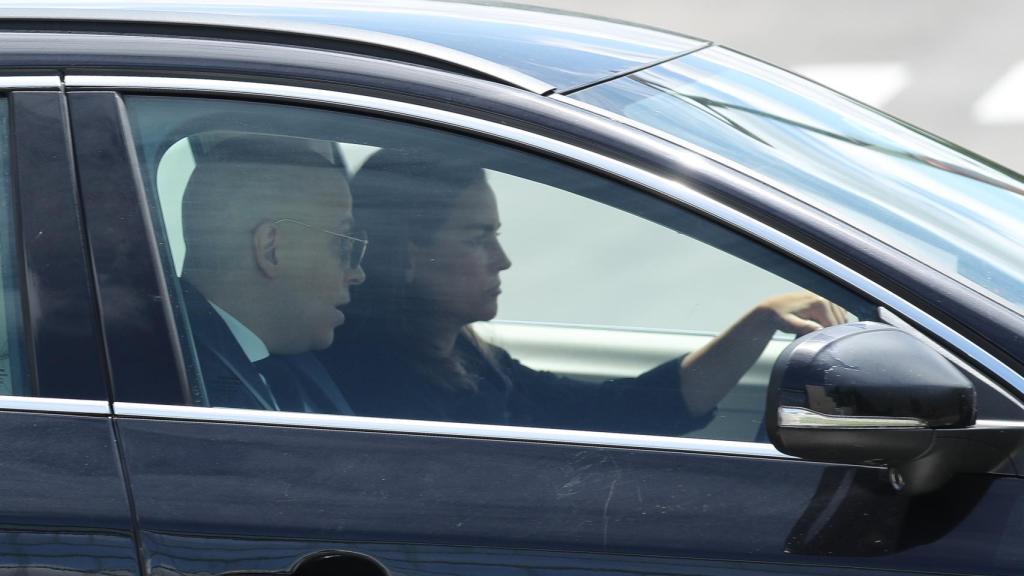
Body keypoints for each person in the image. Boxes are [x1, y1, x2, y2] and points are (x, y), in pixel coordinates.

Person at [319, 148, 845, 434]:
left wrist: (758, 322)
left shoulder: (461, 357)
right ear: (411, 255)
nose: (502, 259)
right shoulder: (380, 384)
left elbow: (612, 410)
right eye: (478, 239)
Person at [179, 134, 366, 412]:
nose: (357, 274)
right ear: (270, 250)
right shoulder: (177, 382)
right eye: (344, 244)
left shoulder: (290, 361)